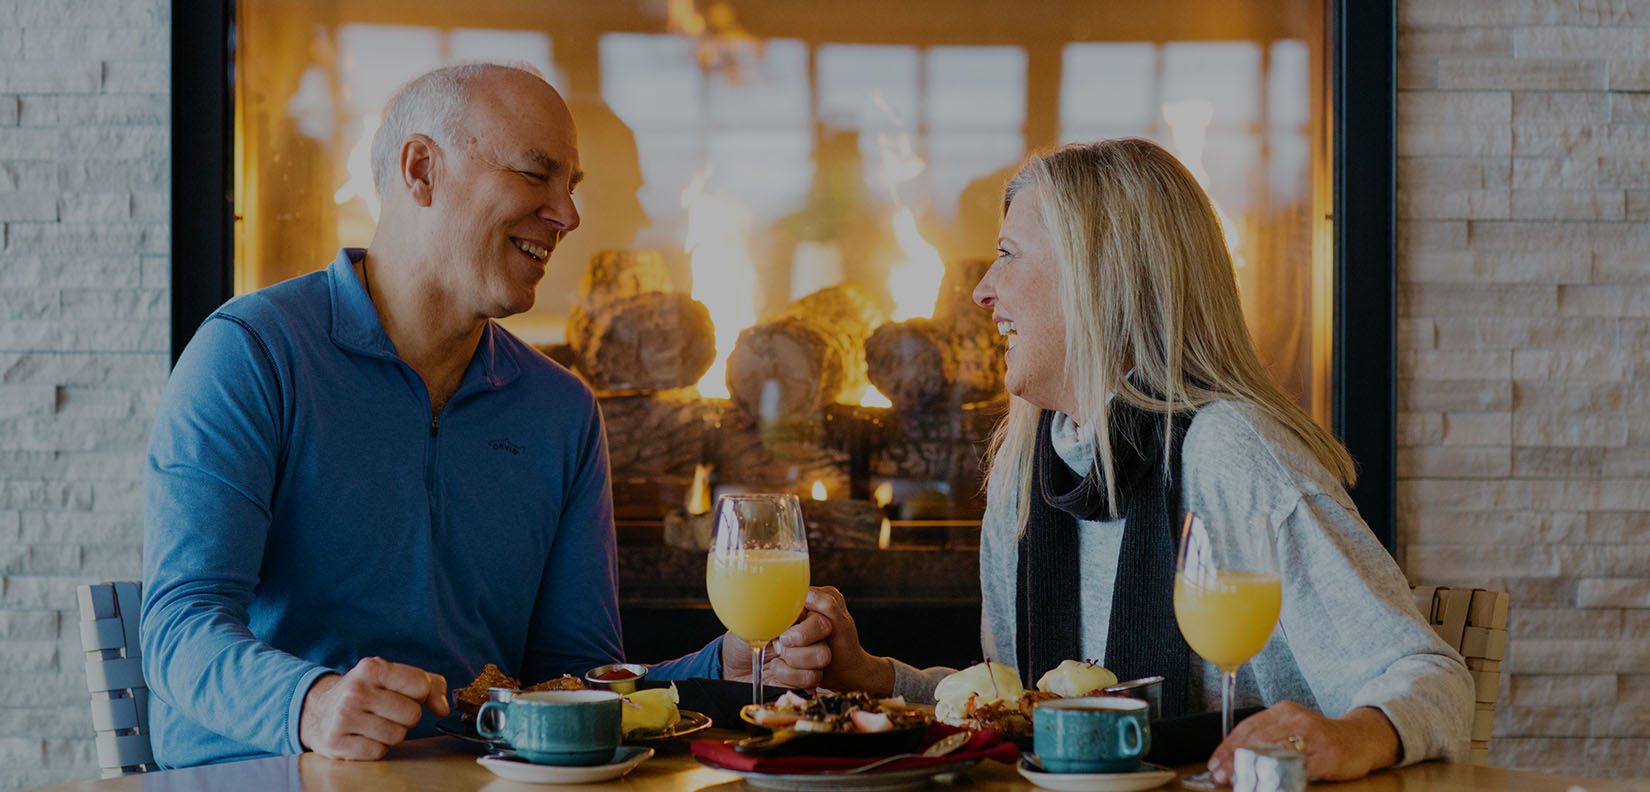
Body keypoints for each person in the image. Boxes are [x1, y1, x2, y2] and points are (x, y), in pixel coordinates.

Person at [141, 62, 828, 768]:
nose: (567, 214)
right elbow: (177, 628)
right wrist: (309, 703)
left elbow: (576, 684)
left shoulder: (560, 410)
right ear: (420, 170)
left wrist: (728, 663)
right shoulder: (252, 354)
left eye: (571, 187)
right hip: (258, 772)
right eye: (536, 175)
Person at [803, 138, 1473, 783]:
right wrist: (876, 680)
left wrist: (1351, 736)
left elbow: (1430, 677)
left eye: (1008, 254)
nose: (982, 290)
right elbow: (1019, 716)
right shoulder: (1027, 461)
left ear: (1099, 277)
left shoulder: (1227, 451)